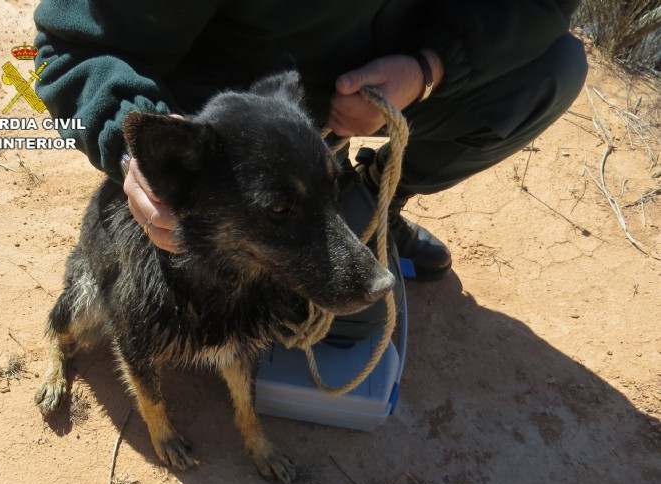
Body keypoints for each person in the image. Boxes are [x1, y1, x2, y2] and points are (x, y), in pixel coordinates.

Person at [32, 0, 587, 281]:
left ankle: (374, 202)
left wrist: (430, 66)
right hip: (228, 116)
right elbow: (73, 48)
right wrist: (136, 142)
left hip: (391, 87)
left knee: (553, 67)